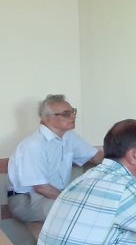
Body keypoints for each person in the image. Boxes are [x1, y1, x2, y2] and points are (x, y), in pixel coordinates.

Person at [7, 94, 103, 223]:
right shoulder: (33, 144)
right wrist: (70, 200)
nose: (73, 116)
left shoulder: (69, 137)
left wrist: (121, 160)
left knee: (99, 203)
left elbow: (96, 157)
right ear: (47, 119)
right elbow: (41, 188)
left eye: (73, 112)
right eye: (66, 114)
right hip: (28, 199)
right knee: (75, 211)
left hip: (55, 195)